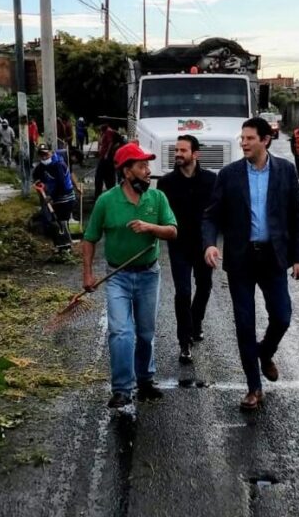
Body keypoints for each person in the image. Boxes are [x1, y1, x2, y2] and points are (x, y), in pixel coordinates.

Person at [203, 117, 299, 411]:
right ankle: (253, 388)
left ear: (265, 140)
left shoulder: (286, 171)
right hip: (241, 258)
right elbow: (211, 215)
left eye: (249, 138)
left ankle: (265, 352)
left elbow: (296, 217)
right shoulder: (229, 175)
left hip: (273, 257)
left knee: (282, 316)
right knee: (245, 324)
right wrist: (210, 243)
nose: (243, 143)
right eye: (242, 138)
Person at [83, 142, 178, 410]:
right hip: (117, 276)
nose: (148, 171)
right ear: (127, 172)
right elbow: (89, 239)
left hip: (149, 275)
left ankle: (145, 379)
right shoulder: (107, 201)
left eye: (148, 165)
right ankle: (122, 388)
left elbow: (173, 231)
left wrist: (150, 227)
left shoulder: (157, 199)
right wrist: (88, 274)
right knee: (121, 332)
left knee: (146, 333)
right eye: (142, 166)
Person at [157, 135, 217, 364]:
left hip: (203, 246)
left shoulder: (211, 181)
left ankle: (196, 322)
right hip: (179, 246)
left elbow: (218, 212)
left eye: (183, 150)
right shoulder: (166, 183)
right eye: (176, 150)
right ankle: (184, 341)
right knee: (182, 292)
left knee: (205, 286)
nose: (178, 154)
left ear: (195, 154)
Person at [32, 143, 76, 251]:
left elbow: (61, 184)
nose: (44, 157)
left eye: (46, 154)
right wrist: (37, 182)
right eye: (41, 155)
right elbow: (36, 175)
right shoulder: (41, 166)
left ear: (51, 153)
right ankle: (60, 244)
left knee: (61, 220)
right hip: (55, 198)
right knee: (54, 220)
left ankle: (66, 245)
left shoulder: (58, 164)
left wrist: (51, 196)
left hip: (66, 197)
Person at [94, 125, 119, 198]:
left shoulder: (108, 132)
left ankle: (99, 195)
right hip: (105, 158)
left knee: (101, 176)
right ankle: (100, 194)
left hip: (106, 158)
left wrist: (106, 154)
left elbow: (110, 142)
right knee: (105, 177)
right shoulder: (106, 132)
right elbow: (102, 143)